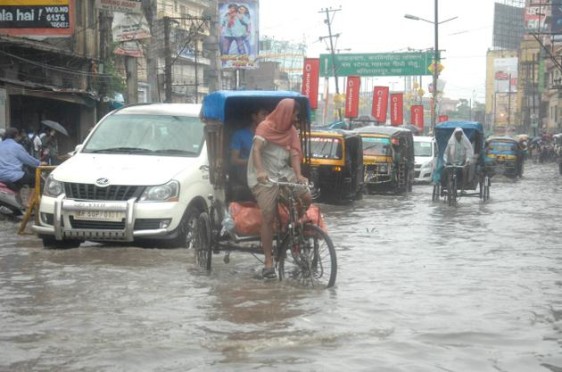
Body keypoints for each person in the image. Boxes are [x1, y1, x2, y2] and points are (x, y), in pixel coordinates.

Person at [247, 98, 311, 279]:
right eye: (294, 115)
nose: (296, 119)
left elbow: (295, 154)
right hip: (263, 175)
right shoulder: (264, 127)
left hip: (283, 173)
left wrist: (298, 176)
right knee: (268, 214)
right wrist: (260, 171)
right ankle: (268, 261)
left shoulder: (291, 132)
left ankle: (291, 227)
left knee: (306, 196)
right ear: (286, 113)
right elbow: (257, 150)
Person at [229, 106, 269, 187]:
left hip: (268, 171)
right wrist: (253, 162)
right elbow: (234, 160)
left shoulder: (270, 135)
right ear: (254, 117)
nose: (266, 118)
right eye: (263, 114)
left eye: (268, 115)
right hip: (246, 173)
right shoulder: (239, 135)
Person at [0, 127, 43, 192]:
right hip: (13, 176)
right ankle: (31, 201)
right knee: (37, 179)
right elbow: (28, 159)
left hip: (1, 176)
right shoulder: (17, 146)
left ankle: (18, 195)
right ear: (16, 135)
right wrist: (39, 163)